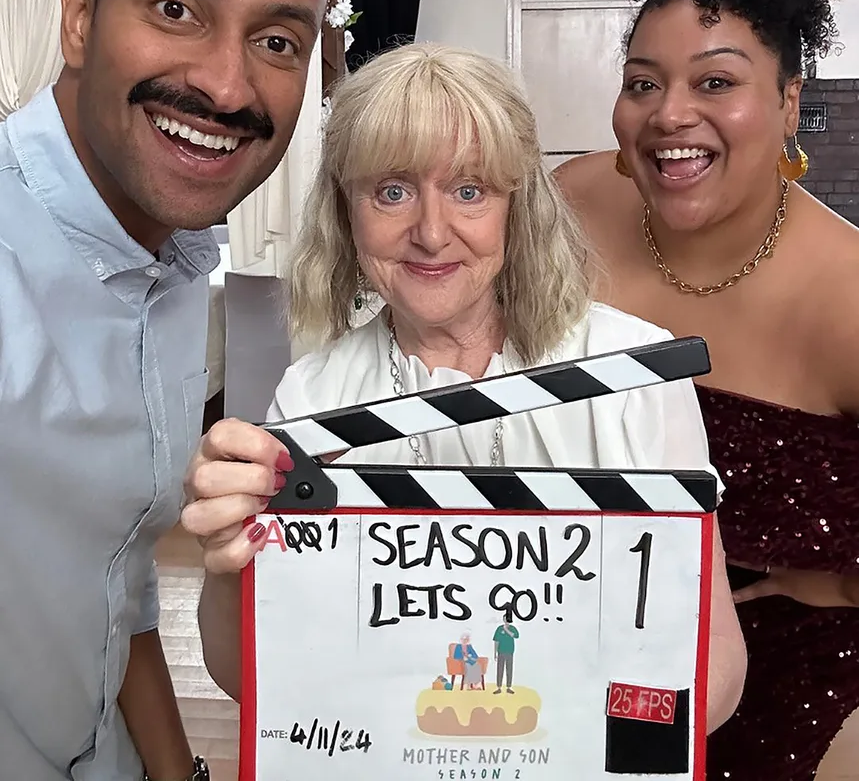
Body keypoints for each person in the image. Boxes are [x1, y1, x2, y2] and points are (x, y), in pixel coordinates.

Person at [181, 42, 746, 735]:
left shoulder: (633, 376)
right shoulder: (312, 399)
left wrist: (583, 745)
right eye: (391, 192)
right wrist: (225, 560)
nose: (430, 233)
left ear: (517, 206)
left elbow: (712, 665)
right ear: (345, 212)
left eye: (469, 191)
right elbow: (253, 678)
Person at [0, 0, 325, 781]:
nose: (225, 87)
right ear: (78, 15)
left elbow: (119, 570)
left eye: (276, 41)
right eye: (176, 8)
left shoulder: (173, 264)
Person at [553, 0, 859, 781]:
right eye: (641, 84)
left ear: (788, 100)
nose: (669, 114)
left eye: (714, 81)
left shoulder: (845, 295)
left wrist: (837, 584)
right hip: (572, 650)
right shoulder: (566, 206)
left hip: (781, 690)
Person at [493, 611, 519, 694]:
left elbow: (515, 636)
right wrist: (495, 653)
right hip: (501, 652)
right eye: (505, 619)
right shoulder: (499, 628)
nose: (506, 620)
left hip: (510, 652)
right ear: (503, 619)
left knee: (509, 669)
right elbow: (496, 641)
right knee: (500, 670)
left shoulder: (512, 628)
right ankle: (499, 687)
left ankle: (508, 687)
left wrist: (506, 629)